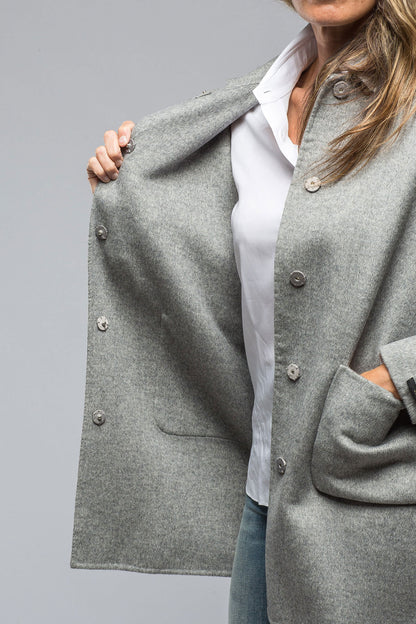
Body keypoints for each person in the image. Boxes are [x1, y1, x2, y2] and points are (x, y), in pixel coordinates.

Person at [72, 1, 416, 623]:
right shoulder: (253, 111)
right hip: (268, 501)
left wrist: (392, 385)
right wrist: (129, 192)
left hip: (386, 501)